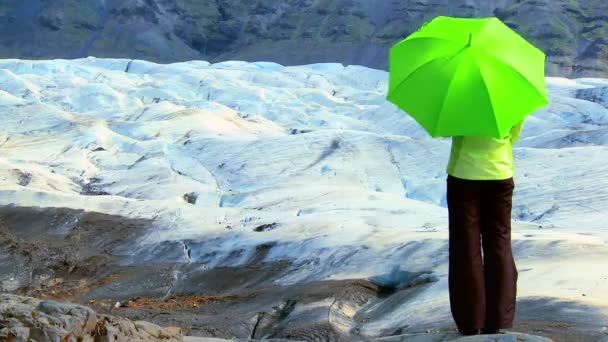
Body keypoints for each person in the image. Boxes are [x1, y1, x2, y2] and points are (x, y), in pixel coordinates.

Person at [446, 120, 524, 336]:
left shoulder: (459, 92)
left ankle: (470, 322)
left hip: (463, 174)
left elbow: (449, 128)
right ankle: (498, 320)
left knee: (466, 247)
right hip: (501, 173)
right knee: (499, 244)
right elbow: (514, 134)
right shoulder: (512, 92)